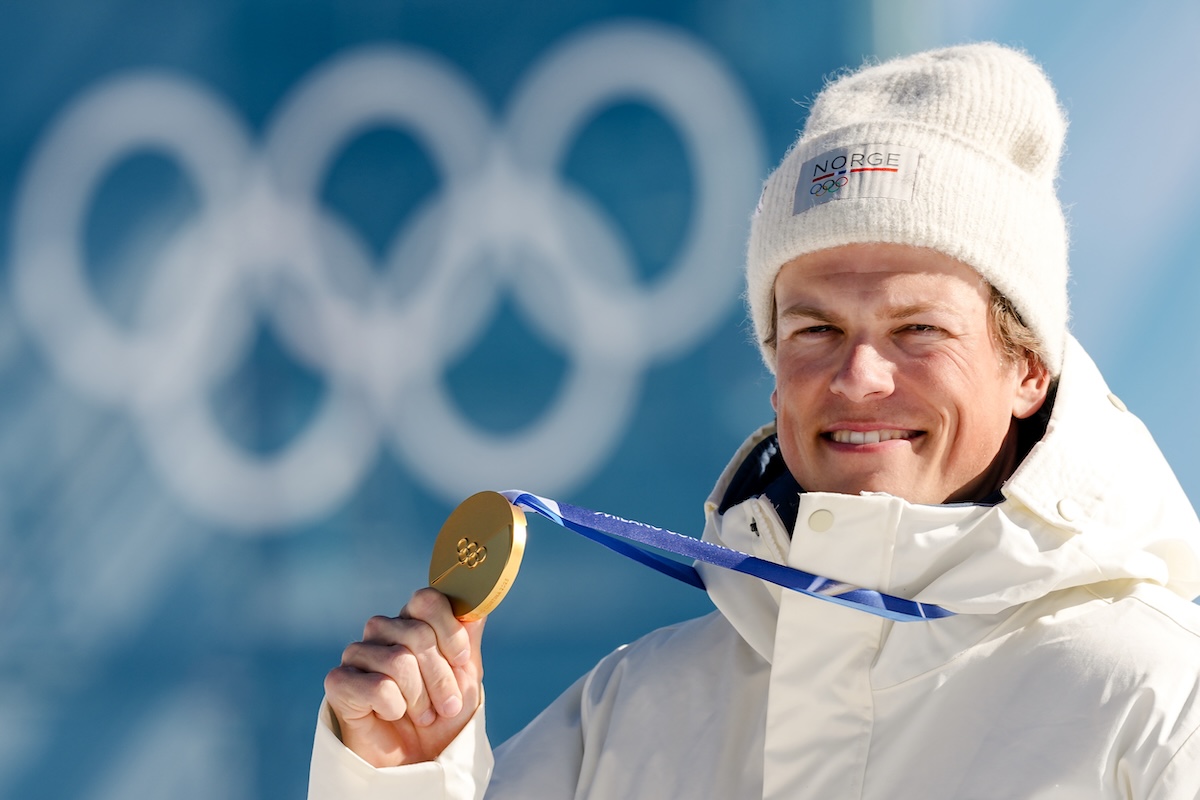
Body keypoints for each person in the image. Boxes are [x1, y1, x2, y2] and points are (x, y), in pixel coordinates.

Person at [308, 43, 1200, 799]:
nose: (859, 375)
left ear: (1029, 369)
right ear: (775, 376)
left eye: (918, 329)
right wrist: (403, 774)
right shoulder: (632, 709)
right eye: (816, 331)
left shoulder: (1156, 701)